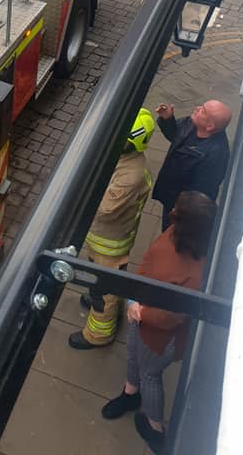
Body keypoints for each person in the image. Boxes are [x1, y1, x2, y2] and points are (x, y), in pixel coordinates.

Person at [101, 191, 217, 454]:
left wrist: (142, 312)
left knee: (150, 375)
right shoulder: (174, 233)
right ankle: (130, 394)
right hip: (140, 315)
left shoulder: (198, 271)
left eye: (177, 210)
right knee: (132, 355)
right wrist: (133, 300)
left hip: (160, 336)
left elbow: (174, 314)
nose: (172, 212)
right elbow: (148, 259)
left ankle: (155, 427)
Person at [68, 108, 155, 350]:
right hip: (103, 240)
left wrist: (84, 188)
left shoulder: (131, 176)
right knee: (98, 280)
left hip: (110, 243)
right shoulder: (127, 160)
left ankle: (99, 334)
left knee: (103, 291)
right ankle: (100, 299)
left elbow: (105, 208)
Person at [152, 100, 231, 231]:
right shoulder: (190, 123)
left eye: (203, 110)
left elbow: (203, 191)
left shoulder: (216, 155)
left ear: (210, 126)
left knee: (171, 233)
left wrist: (180, 211)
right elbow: (175, 135)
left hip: (182, 208)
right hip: (170, 195)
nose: (197, 108)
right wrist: (168, 120)